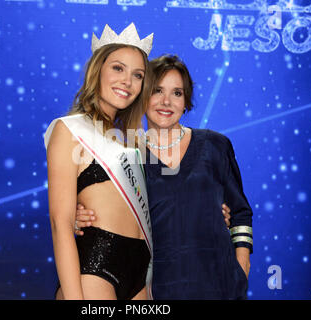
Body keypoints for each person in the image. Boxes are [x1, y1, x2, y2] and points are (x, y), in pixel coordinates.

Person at [76, 55, 253, 299]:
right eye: (157, 91)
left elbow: (240, 212)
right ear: (142, 95)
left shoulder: (215, 145)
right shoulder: (126, 155)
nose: (166, 101)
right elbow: (112, 217)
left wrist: (241, 268)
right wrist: (79, 217)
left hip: (219, 284)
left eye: (177, 93)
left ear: (186, 100)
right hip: (158, 288)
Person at [44, 23, 155, 300]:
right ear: (98, 70)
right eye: (118, 68)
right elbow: (61, 223)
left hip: (142, 274)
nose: (127, 82)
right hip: (96, 265)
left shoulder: (138, 142)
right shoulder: (69, 129)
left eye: (137, 75)